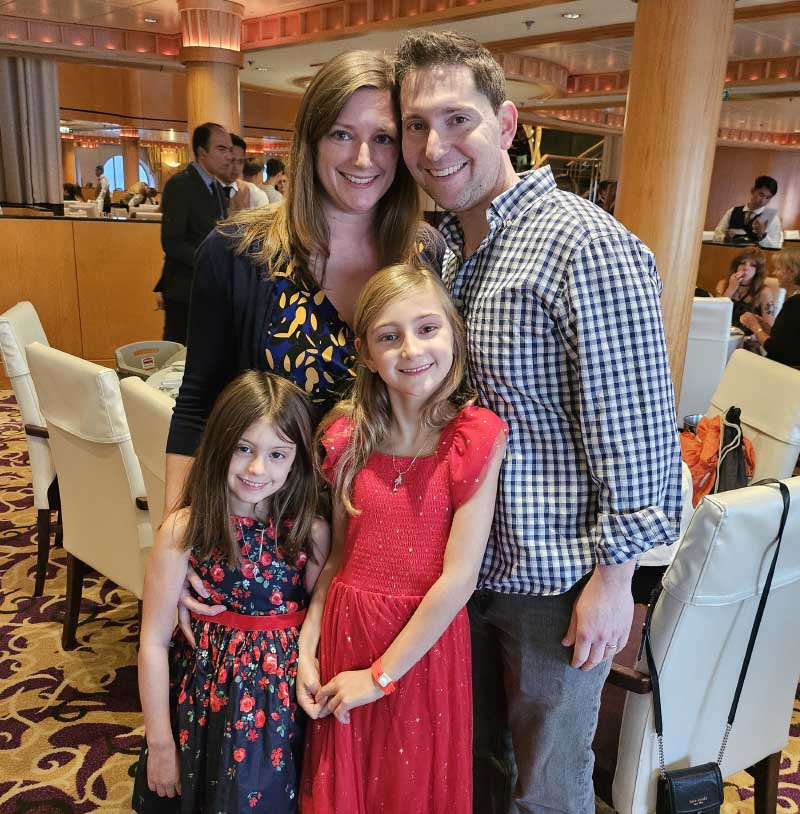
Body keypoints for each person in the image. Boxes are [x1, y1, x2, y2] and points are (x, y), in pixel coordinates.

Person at [395, 31, 682, 814]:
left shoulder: (582, 244)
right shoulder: (453, 251)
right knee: (476, 775)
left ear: (506, 123)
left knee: (545, 791)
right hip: (467, 570)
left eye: (457, 119)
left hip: (554, 586)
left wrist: (615, 581)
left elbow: (638, 433)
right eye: (416, 125)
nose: (434, 145)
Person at [163, 50, 434, 521]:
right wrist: (176, 529)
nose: (363, 158)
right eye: (341, 134)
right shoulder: (236, 252)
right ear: (311, 141)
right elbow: (197, 404)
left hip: (386, 525)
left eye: (383, 138)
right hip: (270, 526)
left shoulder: (423, 253)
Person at [298, 264, 507, 813]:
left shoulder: (474, 436)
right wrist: (306, 645)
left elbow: (459, 579)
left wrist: (379, 676)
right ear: (367, 354)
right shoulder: (347, 436)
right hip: (345, 634)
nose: (411, 349)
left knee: (408, 791)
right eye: (389, 336)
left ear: (454, 334)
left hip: (420, 651)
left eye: (427, 328)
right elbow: (338, 560)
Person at [132, 371, 330, 814]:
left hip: (281, 714)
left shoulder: (309, 532)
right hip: (205, 707)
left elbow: (320, 623)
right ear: (219, 444)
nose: (257, 469)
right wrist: (160, 743)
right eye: (243, 449)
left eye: (277, 454)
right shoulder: (184, 530)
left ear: (297, 460)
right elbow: (153, 642)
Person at [154, 121, 232, 344]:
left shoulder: (216, 188)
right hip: (184, 288)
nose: (228, 156)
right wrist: (211, 261)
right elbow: (173, 242)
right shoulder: (180, 185)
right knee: (180, 353)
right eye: (221, 149)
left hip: (209, 287)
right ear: (201, 151)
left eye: (229, 150)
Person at [740, 248, 800, 366]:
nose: (774, 273)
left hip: (784, 369)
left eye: (778, 269)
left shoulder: (795, 303)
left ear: (791, 273)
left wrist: (754, 326)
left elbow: (775, 349)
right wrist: (763, 326)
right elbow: (787, 338)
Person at [714, 247, 776, 333]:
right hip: (723, 333)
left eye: (753, 265)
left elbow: (769, 329)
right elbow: (716, 315)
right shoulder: (723, 284)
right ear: (736, 266)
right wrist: (730, 289)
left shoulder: (764, 292)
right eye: (742, 263)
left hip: (749, 337)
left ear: (758, 270)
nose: (746, 268)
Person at [713, 175, 783, 249]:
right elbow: (716, 236)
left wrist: (762, 234)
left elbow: (774, 246)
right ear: (752, 191)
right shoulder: (732, 211)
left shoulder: (773, 219)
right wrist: (725, 238)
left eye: (768, 197)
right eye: (761, 194)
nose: (763, 200)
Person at [222, 136, 270, 212]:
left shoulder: (254, 194)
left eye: (240, 162)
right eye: (231, 160)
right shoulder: (206, 188)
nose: (236, 167)